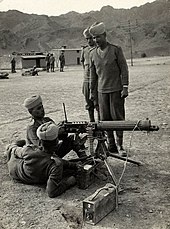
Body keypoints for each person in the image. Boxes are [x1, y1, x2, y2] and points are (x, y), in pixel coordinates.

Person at [6, 122, 79, 198]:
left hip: (15, 170)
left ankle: (13, 145)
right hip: (23, 174)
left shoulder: (28, 150)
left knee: (17, 146)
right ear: (57, 141)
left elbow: (14, 150)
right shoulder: (55, 164)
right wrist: (69, 183)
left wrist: (72, 165)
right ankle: (13, 145)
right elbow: (52, 192)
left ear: (40, 142)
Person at [89, 22, 129, 156]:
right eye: (94, 38)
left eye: (98, 37)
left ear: (105, 36)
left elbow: (124, 68)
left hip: (116, 90)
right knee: (104, 119)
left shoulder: (116, 50)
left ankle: (120, 145)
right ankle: (111, 145)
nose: (96, 40)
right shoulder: (92, 53)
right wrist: (92, 92)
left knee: (117, 118)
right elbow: (93, 76)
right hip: (101, 92)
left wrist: (125, 87)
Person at [80, 27, 97, 122]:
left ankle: (101, 126)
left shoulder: (98, 49)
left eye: (91, 38)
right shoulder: (85, 50)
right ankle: (92, 123)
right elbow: (83, 63)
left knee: (98, 104)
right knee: (89, 105)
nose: (89, 41)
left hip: (97, 81)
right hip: (86, 81)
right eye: (87, 39)